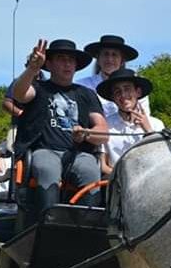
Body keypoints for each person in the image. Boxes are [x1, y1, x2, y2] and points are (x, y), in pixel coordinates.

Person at [11, 38, 108, 216]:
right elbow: (19, 94)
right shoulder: (39, 88)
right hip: (44, 149)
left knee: (90, 170)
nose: (67, 64)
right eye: (61, 59)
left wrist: (86, 134)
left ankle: (87, 226)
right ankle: (49, 223)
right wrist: (32, 69)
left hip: (78, 153)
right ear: (49, 63)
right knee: (48, 169)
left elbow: (103, 132)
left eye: (71, 60)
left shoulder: (86, 94)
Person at [94, 68, 165, 173]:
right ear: (113, 97)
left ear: (138, 92)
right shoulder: (105, 125)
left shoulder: (156, 124)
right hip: (116, 182)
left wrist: (149, 131)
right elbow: (103, 166)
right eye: (117, 91)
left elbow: (163, 160)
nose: (123, 95)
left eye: (127, 89)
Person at [75, 33, 152, 119]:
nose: (109, 59)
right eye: (106, 54)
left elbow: (145, 116)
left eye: (114, 55)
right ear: (98, 58)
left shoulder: (136, 84)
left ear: (122, 60)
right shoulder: (82, 86)